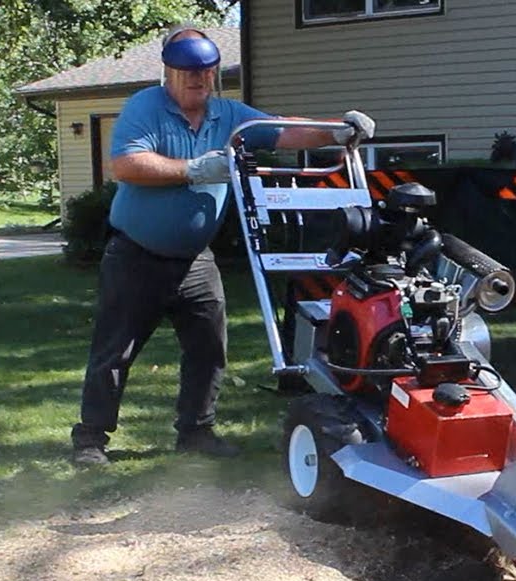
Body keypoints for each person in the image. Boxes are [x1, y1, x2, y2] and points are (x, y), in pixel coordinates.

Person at [70, 25, 375, 465]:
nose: (197, 79)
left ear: (214, 73)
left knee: (209, 348)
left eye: (205, 71)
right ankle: (91, 440)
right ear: (169, 73)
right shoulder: (145, 107)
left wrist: (336, 131)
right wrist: (194, 169)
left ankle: (196, 432)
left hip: (196, 259)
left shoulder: (230, 117)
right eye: (187, 72)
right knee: (115, 350)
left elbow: (283, 132)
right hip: (137, 254)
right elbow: (127, 163)